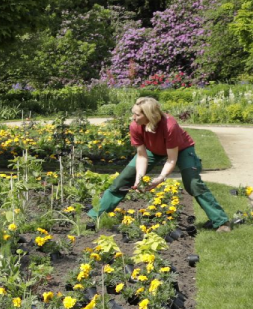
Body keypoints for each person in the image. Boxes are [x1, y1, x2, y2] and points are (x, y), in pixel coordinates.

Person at [88, 96, 231, 229]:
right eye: (134, 113)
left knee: (192, 181)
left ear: (149, 115)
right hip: (152, 150)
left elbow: (172, 158)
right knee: (123, 179)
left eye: (137, 115)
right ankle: (96, 216)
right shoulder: (135, 126)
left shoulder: (169, 126)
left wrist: (160, 178)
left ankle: (220, 221)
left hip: (181, 149)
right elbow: (142, 156)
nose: (133, 118)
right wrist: (139, 177)